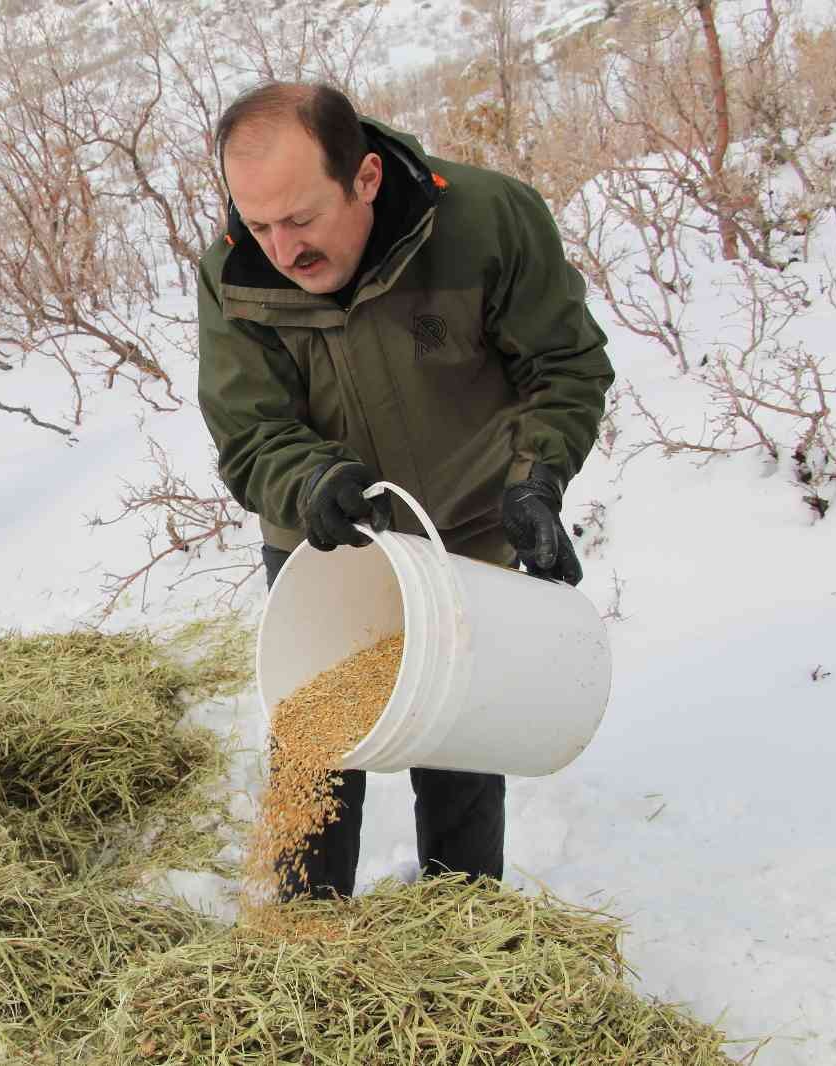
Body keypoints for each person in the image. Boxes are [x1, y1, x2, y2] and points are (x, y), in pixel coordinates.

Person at [197, 82, 615, 900]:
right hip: (324, 539)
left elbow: (562, 365)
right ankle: (303, 935)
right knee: (316, 741)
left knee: (459, 735)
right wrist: (312, 477)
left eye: (302, 218)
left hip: (459, 525)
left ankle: (462, 926)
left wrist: (536, 478)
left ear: (366, 179)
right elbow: (248, 431)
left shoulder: (487, 222)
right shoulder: (236, 276)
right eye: (258, 223)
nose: (282, 248)